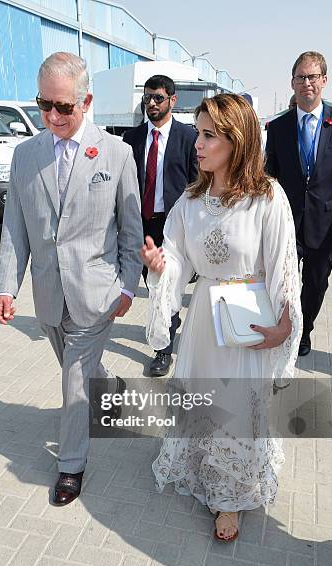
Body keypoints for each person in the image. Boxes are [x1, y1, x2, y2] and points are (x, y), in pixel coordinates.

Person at [141, 94, 302, 542]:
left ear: (237, 140)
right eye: (199, 132)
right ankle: (203, 469)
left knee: (237, 409)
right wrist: (162, 266)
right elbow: (176, 256)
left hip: (246, 320)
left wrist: (285, 324)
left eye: (210, 135)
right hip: (203, 325)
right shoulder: (191, 201)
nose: (199, 143)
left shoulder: (266, 198)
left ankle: (229, 497)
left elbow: (285, 266)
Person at [0, 52, 143, 506]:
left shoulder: (117, 154)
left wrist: (126, 285)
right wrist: (6, 286)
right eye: (45, 105)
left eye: (63, 107)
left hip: (97, 292)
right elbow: (14, 228)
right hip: (48, 294)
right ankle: (113, 390)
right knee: (76, 369)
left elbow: (131, 227)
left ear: (87, 101)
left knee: (73, 380)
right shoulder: (25, 156)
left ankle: (71, 465)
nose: (53, 116)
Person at [266, 51, 332, 356]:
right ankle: (285, 327)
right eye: (301, 77)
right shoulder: (278, 127)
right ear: (292, 82)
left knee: (316, 284)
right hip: (286, 221)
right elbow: (269, 177)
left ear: (324, 80)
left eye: (312, 76)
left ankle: (305, 328)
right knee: (282, 282)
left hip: (325, 223)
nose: (306, 82)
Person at [123, 75, 197, 376]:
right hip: (142, 226)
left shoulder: (188, 138)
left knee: (165, 288)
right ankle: (164, 331)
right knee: (153, 288)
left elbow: (197, 185)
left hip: (173, 227)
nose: (151, 103)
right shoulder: (132, 138)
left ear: (172, 100)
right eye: (147, 97)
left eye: (158, 98)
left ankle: (163, 349)